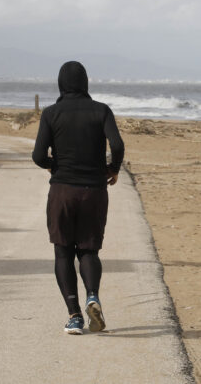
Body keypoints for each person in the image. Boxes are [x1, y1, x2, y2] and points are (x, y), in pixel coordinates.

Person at [32, 61, 125, 335]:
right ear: (86, 82)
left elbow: (37, 156)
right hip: (94, 191)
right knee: (88, 250)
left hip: (62, 191)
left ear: (61, 83)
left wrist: (54, 165)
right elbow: (117, 145)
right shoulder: (101, 110)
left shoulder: (51, 113)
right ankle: (92, 295)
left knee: (63, 252)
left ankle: (74, 316)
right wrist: (113, 169)